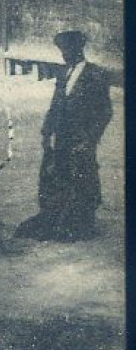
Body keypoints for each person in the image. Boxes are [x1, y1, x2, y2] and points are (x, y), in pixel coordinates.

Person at [16, 31, 113, 242]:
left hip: (81, 137)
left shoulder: (96, 74)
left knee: (82, 176)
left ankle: (81, 223)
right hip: (61, 135)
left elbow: (105, 112)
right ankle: (58, 217)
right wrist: (46, 131)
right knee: (55, 175)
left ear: (78, 50)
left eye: (67, 50)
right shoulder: (63, 73)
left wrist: (89, 140)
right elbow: (55, 104)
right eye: (62, 51)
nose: (64, 55)